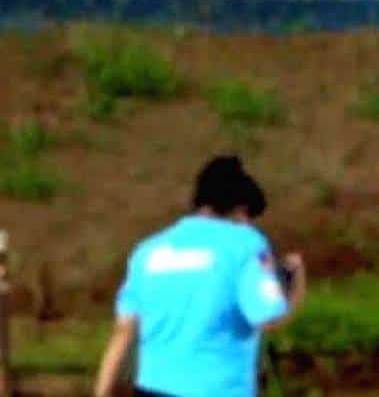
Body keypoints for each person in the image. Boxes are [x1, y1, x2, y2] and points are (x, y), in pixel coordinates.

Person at [94, 155, 307, 397]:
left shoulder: (147, 252)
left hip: (151, 389)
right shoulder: (245, 244)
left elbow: (123, 332)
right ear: (241, 210)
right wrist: (296, 284)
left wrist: (102, 392)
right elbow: (268, 318)